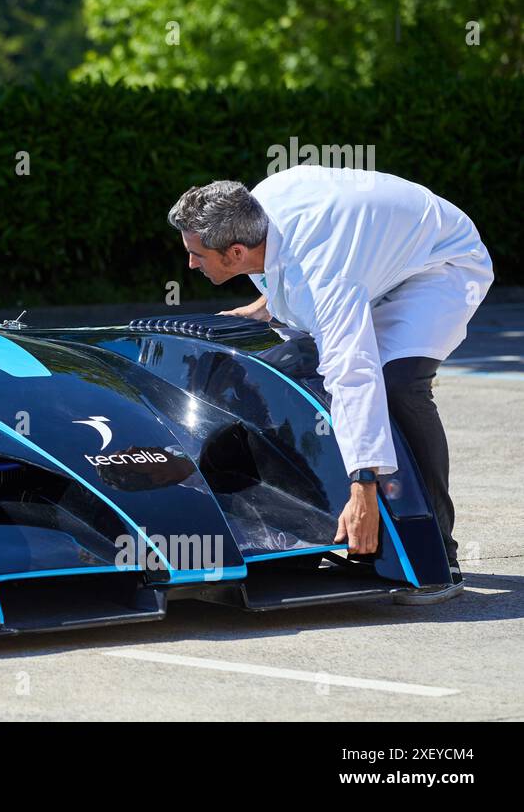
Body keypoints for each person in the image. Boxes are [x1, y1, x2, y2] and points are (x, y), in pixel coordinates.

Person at [167, 166, 493, 603]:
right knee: (292, 363)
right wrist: (268, 303)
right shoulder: (255, 212)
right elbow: (291, 258)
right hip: (368, 257)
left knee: (398, 384)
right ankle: (312, 516)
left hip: (440, 266)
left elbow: (352, 371)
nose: (189, 262)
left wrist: (364, 490)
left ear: (237, 251)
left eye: (197, 254)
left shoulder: (325, 275)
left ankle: (436, 549)